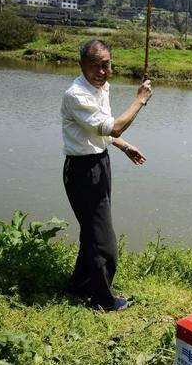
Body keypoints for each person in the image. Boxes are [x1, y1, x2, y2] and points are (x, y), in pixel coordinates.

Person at [61, 39, 152, 311]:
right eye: (95, 66)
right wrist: (139, 100)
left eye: (106, 65)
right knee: (105, 243)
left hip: (99, 163)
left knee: (92, 232)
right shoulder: (76, 95)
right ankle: (102, 299)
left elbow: (101, 133)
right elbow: (112, 128)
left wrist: (123, 146)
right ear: (82, 66)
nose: (102, 71)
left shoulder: (101, 88)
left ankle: (79, 284)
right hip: (82, 171)